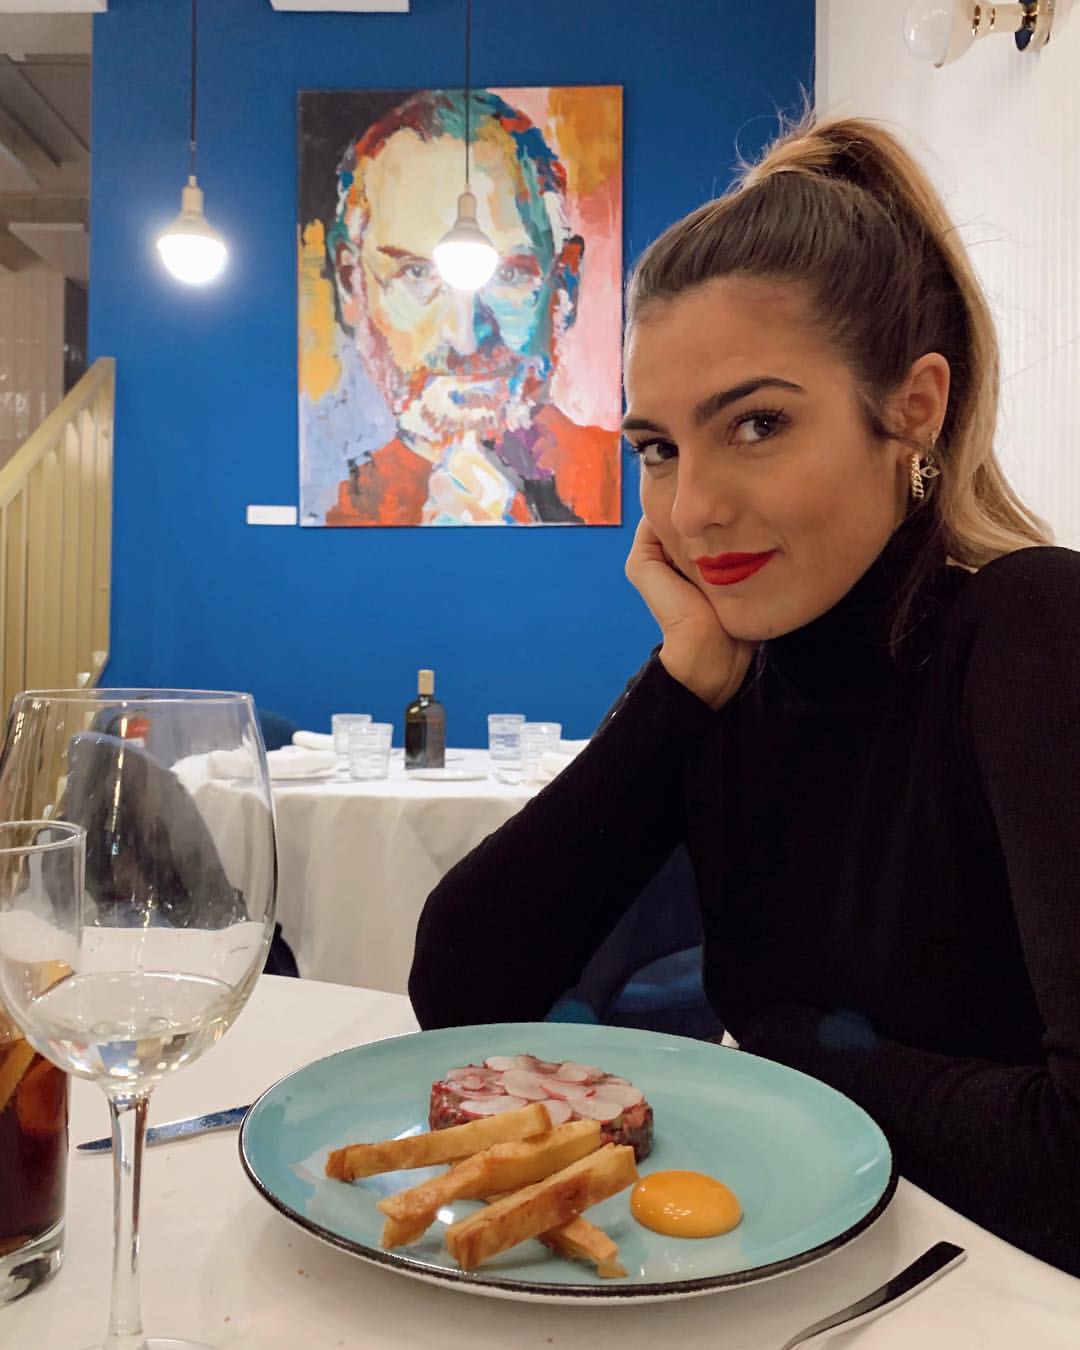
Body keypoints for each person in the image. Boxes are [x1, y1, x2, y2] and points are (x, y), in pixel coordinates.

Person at [408, 115, 1080, 1276]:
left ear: (914, 406)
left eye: (756, 425)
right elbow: (463, 990)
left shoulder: (1032, 630)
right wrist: (681, 687)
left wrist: (787, 1048)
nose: (693, 508)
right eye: (658, 448)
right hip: (796, 1284)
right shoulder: (737, 674)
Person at [319, 89, 618, 526]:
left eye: (510, 274)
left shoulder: (627, 483)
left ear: (565, 285)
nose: (466, 337)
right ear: (352, 284)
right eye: (416, 273)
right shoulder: (334, 511)